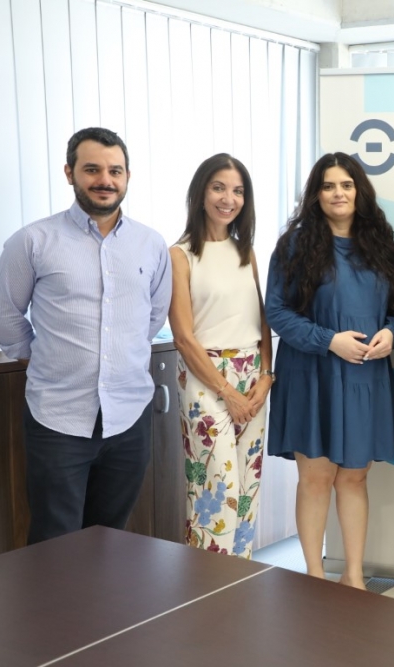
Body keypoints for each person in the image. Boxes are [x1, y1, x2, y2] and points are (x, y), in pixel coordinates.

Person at [0, 127, 172, 544]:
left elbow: (152, 317)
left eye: (115, 171)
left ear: (127, 176)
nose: (105, 180)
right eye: (92, 169)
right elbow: (4, 318)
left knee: (110, 540)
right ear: (69, 173)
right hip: (58, 418)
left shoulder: (151, 244)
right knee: (56, 543)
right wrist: (47, 359)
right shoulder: (33, 241)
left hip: (129, 417)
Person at [265, 152, 394, 588]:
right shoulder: (294, 246)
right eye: (328, 186)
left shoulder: (380, 246)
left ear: (360, 190)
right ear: (316, 194)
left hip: (365, 376)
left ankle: (353, 577)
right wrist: (328, 340)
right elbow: (277, 311)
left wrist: (392, 334)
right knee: (316, 476)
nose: (338, 193)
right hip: (312, 375)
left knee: (354, 476)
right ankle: (313, 576)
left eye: (346, 184)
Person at [169, 154, 273, 559]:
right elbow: (183, 336)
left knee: (247, 486)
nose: (229, 199)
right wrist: (227, 392)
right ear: (201, 193)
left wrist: (266, 377)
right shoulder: (179, 254)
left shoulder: (246, 252)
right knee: (216, 485)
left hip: (252, 375)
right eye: (219, 188)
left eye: (238, 191)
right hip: (206, 378)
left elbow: (262, 320)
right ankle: (205, 581)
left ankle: (239, 577)